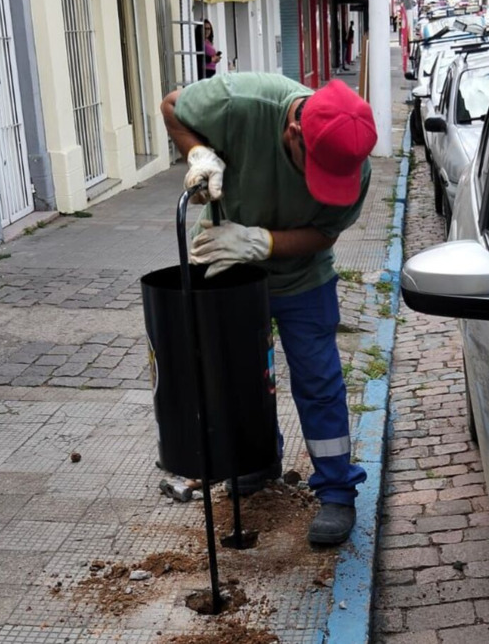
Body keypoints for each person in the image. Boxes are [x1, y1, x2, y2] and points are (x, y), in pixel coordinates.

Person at [159, 74, 376, 545]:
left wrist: (262, 241)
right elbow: (173, 107)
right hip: (226, 267)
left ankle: (337, 490)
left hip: (303, 277)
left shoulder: (352, 161)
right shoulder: (240, 102)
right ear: (294, 133)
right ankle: (256, 463)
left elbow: (325, 233)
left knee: (318, 381)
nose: (321, 186)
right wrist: (199, 153)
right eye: (313, 170)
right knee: (240, 378)